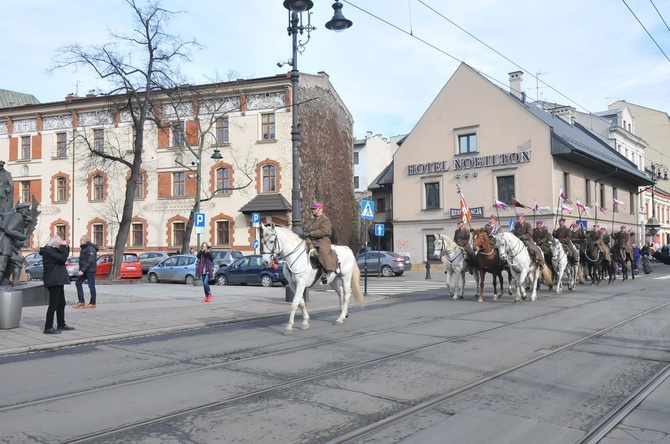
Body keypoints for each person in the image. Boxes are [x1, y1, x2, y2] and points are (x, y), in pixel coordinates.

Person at [41, 235, 74, 334]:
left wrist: (66, 247)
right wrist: (64, 247)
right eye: (59, 242)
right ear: (54, 243)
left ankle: (61, 324)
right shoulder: (48, 251)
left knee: (61, 304)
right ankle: (48, 327)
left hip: (58, 280)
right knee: (53, 305)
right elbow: (62, 259)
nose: (61, 244)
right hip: (53, 281)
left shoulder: (54, 251)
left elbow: (64, 256)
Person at [302, 202, 339, 284]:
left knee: (322, 251)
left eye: (315, 209)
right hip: (311, 240)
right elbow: (308, 229)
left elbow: (324, 231)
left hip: (322, 240)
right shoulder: (313, 220)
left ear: (320, 210)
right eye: (312, 209)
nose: (313, 211)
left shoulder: (325, 219)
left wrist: (310, 233)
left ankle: (326, 271)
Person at [0, 203, 32, 285]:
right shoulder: (18, 216)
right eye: (27, 209)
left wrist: (20, 243)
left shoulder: (17, 217)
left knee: (17, 260)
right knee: (1, 266)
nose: (28, 211)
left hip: (8, 245)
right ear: (22, 210)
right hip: (4, 245)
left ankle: (10, 281)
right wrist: (22, 237)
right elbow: (9, 229)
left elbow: (13, 238)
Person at [74, 235, 98, 309]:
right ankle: (81, 301)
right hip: (84, 270)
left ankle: (92, 302)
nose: (80, 242)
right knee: (78, 283)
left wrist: (82, 270)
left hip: (89, 270)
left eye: (81, 240)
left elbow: (90, 260)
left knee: (91, 286)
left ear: (85, 241)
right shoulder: (84, 248)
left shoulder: (90, 248)